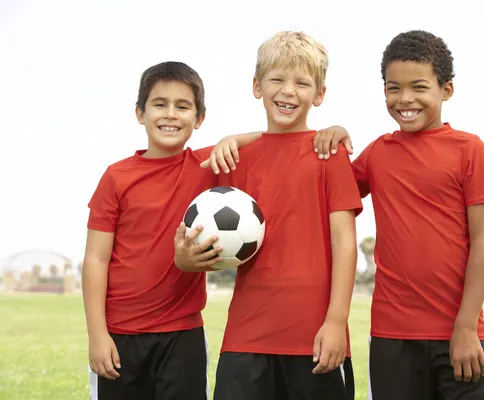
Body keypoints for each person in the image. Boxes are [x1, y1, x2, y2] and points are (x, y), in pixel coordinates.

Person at [83, 60, 351, 400]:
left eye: (182, 107)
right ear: (140, 113)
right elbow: (95, 258)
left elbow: (275, 142)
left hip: (183, 332)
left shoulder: (208, 166)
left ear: (198, 119)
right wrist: (97, 333)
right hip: (119, 334)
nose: (170, 115)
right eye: (159, 105)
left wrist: (333, 130)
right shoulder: (116, 177)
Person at [175, 31, 362, 400]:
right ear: (257, 86)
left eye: (302, 83)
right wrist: (184, 258)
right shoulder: (233, 157)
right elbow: (173, 177)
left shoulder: (330, 154)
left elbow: (345, 243)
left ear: (320, 94)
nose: (288, 91)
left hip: (315, 340)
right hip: (246, 338)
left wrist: (337, 321)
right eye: (277, 79)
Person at [321, 29, 484, 400]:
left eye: (419, 87)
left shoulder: (470, 150)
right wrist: (337, 139)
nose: (405, 99)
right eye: (393, 88)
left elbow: (483, 240)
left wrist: (466, 326)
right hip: (392, 336)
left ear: (445, 90)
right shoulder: (377, 154)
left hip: (460, 335)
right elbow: (326, 196)